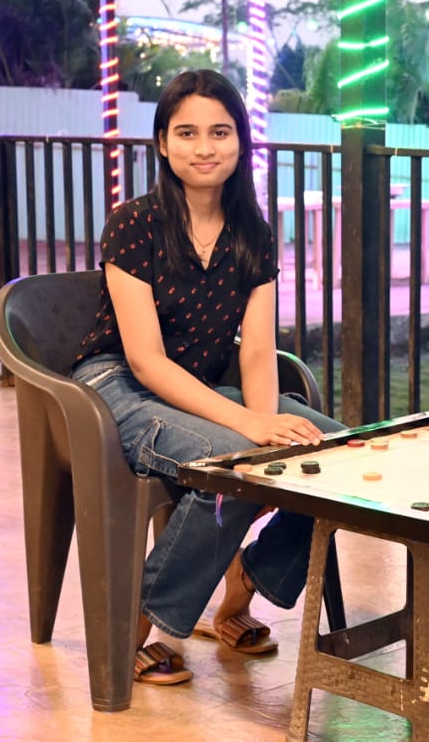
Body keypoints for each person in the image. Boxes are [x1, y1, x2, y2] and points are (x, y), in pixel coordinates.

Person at [71, 69, 344, 686]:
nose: (204, 147)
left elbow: (259, 351)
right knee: (232, 464)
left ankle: (246, 580)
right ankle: (137, 628)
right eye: (187, 132)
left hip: (198, 382)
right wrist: (250, 426)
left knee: (336, 453)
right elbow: (146, 360)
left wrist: (267, 423)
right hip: (117, 384)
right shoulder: (134, 224)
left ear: (241, 142)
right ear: (162, 142)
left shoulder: (253, 235)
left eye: (220, 132)